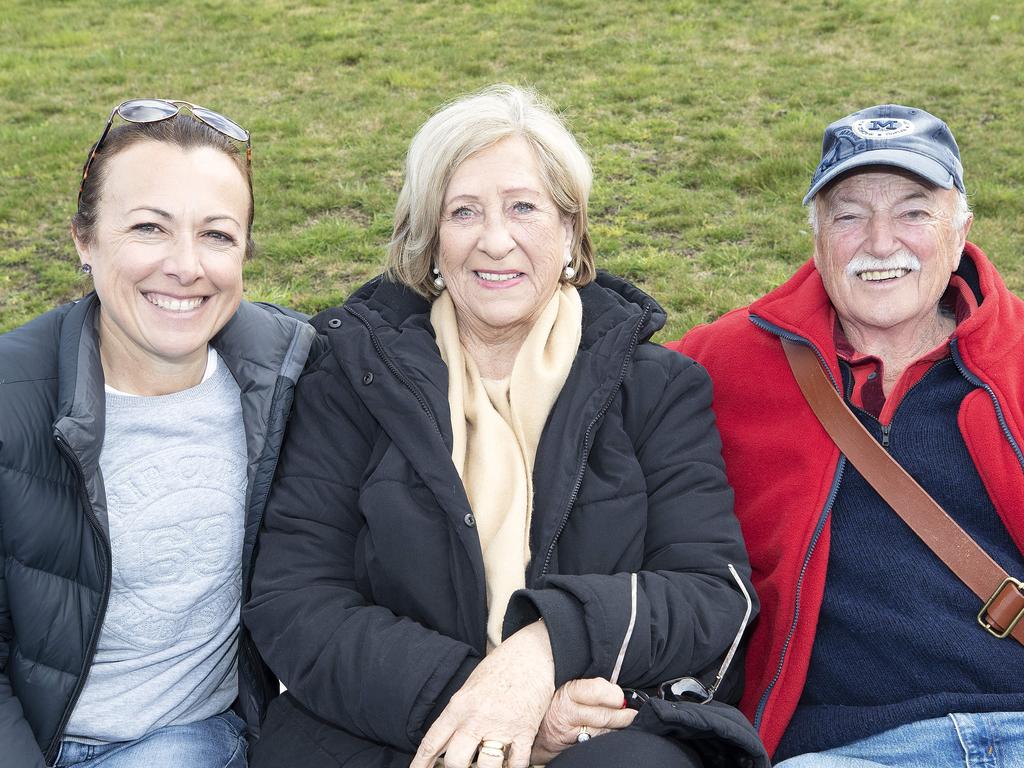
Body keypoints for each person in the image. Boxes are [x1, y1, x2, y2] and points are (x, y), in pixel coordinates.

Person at [243, 84, 764, 768]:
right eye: (464, 212)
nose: (496, 241)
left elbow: (710, 595)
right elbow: (296, 601)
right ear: (430, 240)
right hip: (388, 728)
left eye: (524, 207)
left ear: (571, 231)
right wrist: (486, 702)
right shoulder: (349, 379)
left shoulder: (657, 388)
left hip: (599, 729)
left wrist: (546, 649)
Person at [672, 104, 1024, 766]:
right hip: (848, 749)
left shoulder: (1018, 353)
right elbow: (584, 421)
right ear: (817, 237)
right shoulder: (720, 361)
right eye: (849, 214)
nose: (881, 242)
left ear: (961, 232)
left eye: (914, 213)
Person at [0, 99, 317, 768]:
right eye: (149, 227)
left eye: (217, 235)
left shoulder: (291, 377)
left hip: (174, 738)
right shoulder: (11, 398)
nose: (184, 265)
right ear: (84, 241)